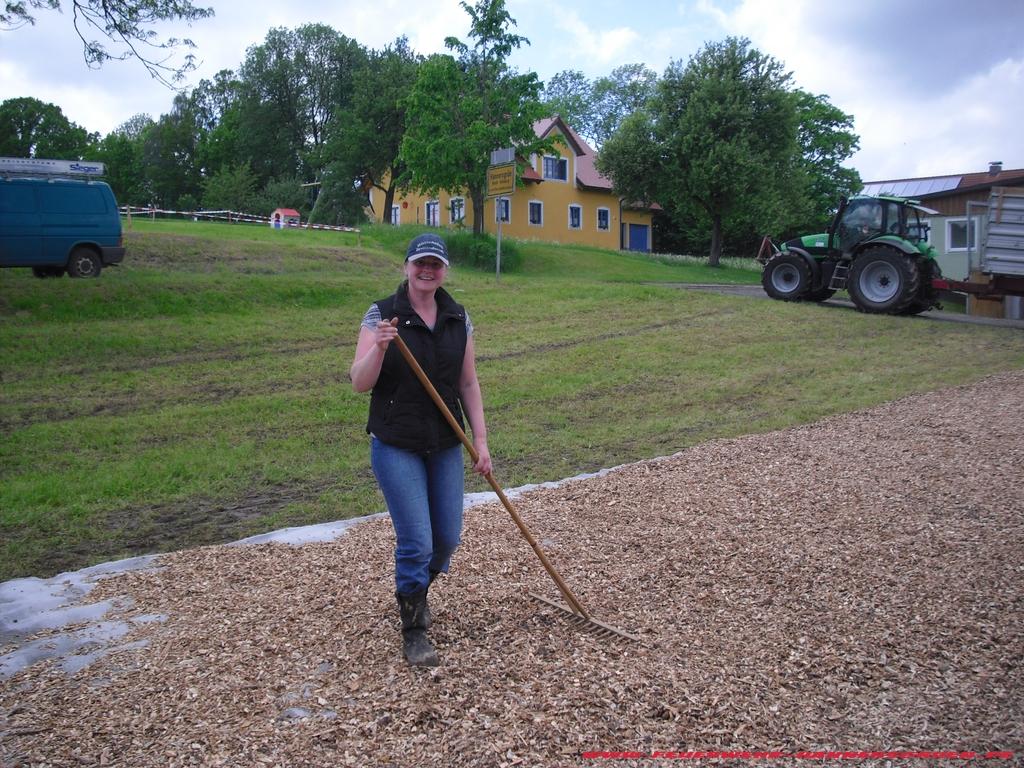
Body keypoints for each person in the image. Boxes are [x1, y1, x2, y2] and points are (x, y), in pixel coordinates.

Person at [350, 233, 492, 667]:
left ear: (444, 270)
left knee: (445, 539)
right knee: (416, 541)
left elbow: (467, 382)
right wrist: (379, 346)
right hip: (396, 443)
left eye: (435, 264)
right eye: (419, 263)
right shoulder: (382, 314)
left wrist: (480, 441)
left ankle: (417, 589)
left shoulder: (456, 317)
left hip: (446, 441)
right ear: (406, 266)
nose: (427, 270)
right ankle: (413, 628)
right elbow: (359, 381)